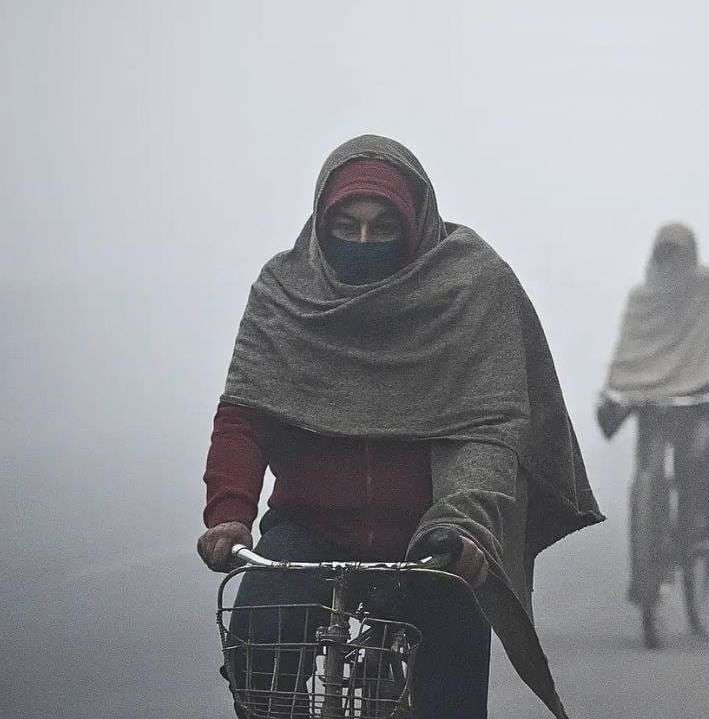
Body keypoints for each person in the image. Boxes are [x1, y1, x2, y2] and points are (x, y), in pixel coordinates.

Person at [196, 134, 603, 719]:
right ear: (321, 222)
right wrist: (229, 512)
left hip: (434, 537)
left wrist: (463, 525)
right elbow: (245, 412)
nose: (363, 241)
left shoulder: (471, 285)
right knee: (258, 648)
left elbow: (489, 429)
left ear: (415, 223)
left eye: (383, 227)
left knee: (453, 681)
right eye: (347, 227)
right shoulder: (284, 291)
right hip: (308, 528)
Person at [599, 223, 709, 593]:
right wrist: (619, 386)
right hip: (650, 400)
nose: (671, 261)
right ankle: (644, 567)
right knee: (645, 474)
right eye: (664, 253)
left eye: (677, 253)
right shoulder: (642, 298)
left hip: (699, 397)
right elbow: (629, 349)